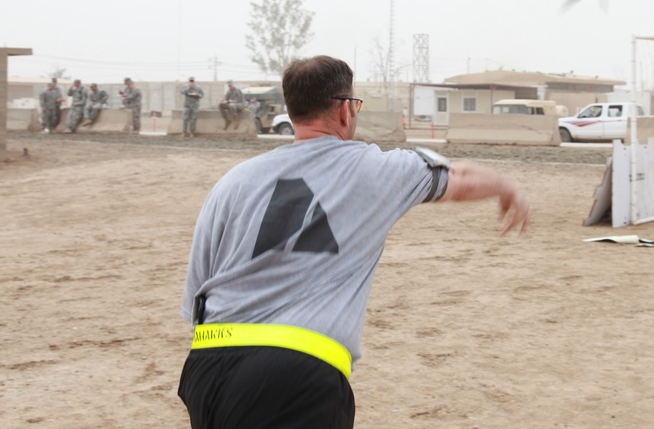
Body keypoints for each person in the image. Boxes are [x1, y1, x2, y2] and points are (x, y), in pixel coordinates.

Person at [178, 55, 531, 428]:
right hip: (295, 372)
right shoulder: (375, 168)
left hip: (207, 368)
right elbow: (460, 177)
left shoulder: (232, 182)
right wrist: (506, 186)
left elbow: (195, 300)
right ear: (346, 111)